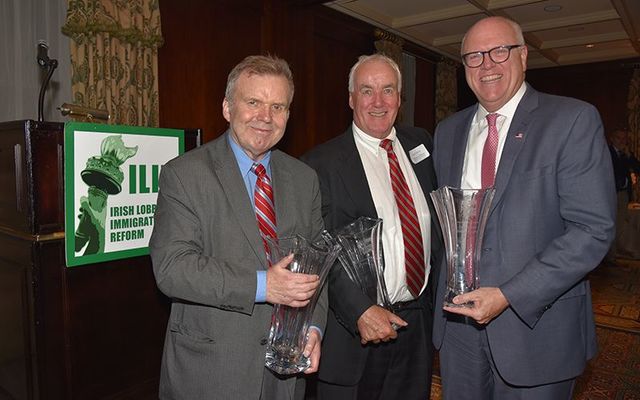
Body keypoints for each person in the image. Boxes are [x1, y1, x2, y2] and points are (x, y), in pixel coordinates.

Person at [432, 16, 616, 399]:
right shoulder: (448, 131)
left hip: (535, 329)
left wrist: (509, 295)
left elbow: (592, 230)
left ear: (524, 56)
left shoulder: (571, 120)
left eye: (500, 50)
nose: (487, 64)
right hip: (458, 333)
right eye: (474, 56)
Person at [149, 55, 327, 400]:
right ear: (228, 108)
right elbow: (172, 268)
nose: (266, 117)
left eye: (278, 106)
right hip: (211, 371)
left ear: (288, 115)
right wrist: (264, 285)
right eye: (253, 102)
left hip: (284, 374)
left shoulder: (305, 179)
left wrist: (314, 327)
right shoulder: (184, 174)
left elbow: (317, 265)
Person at [302, 54, 443, 400]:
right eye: (367, 91)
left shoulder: (421, 145)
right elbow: (316, 252)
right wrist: (359, 310)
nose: (378, 102)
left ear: (400, 98)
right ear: (351, 99)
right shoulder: (319, 164)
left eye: (388, 90)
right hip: (355, 334)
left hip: (417, 325)